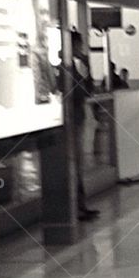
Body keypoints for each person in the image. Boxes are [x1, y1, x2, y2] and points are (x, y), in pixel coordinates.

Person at [59, 30, 99, 221]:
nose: (80, 49)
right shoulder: (65, 69)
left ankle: (80, 205)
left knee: (77, 162)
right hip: (70, 120)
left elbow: (87, 90)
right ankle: (76, 206)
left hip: (75, 118)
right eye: (78, 45)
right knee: (73, 163)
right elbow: (81, 92)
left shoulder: (74, 67)